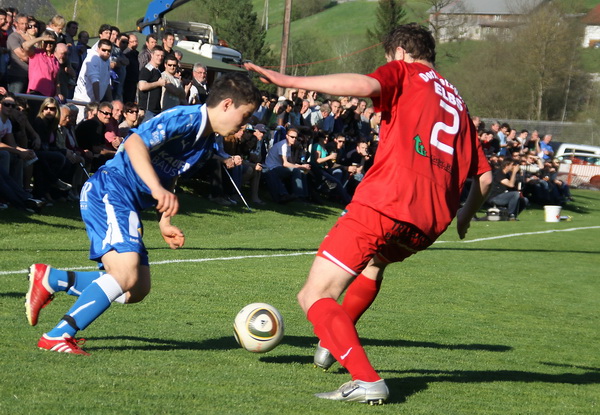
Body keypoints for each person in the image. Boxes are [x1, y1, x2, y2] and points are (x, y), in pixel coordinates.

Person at [245, 22, 492, 405]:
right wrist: (465, 216)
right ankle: (333, 342)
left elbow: (363, 85)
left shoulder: (407, 72)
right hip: (430, 221)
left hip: (389, 199)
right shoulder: (458, 103)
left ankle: (365, 379)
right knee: (374, 265)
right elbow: (486, 178)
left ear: (399, 53)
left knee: (314, 293)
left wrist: (288, 80)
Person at [25, 72, 260, 355]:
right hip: (110, 191)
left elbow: (170, 172)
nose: (245, 124)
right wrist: (156, 190)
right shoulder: (184, 118)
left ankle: (53, 279)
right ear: (227, 104)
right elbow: (135, 142)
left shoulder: (206, 140)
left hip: (127, 202)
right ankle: (58, 335)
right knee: (125, 275)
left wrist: (165, 220)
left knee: (136, 290)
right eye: (245, 115)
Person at [138, 46, 165, 122]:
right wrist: (158, 83)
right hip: (147, 110)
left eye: (162, 56)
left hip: (156, 109)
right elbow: (142, 86)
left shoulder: (158, 71)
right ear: (152, 55)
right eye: (157, 55)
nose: (160, 58)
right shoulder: (147, 69)